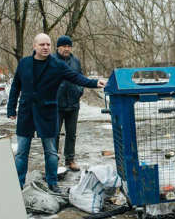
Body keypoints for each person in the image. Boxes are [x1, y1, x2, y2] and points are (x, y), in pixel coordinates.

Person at [8, 33, 105, 193]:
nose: (46, 47)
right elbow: (15, 87)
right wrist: (11, 108)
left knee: (51, 151)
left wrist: (95, 83)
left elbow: (76, 77)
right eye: (42, 45)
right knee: (21, 152)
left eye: (48, 45)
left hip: (47, 113)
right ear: (34, 46)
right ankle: (18, 184)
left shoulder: (57, 65)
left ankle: (53, 182)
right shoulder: (24, 63)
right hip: (26, 112)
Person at [51, 36, 83, 171]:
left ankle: (70, 159)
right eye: (64, 46)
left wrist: (79, 91)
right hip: (56, 104)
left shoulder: (75, 62)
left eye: (69, 46)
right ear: (58, 47)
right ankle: (53, 160)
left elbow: (81, 78)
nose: (66, 49)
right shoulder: (51, 60)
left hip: (73, 103)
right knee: (54, 133)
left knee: (71, 134)